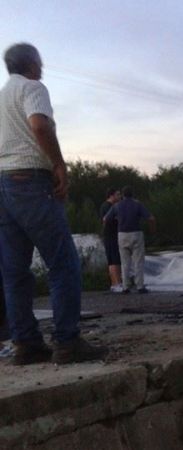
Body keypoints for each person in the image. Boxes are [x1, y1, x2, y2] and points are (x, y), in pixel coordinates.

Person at [0, 43, 108, 364]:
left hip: (2, 185)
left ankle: (26, 343)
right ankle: (67, 341)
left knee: (14, 270)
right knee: (63, 263)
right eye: (40, 63)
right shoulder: (33, 87)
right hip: (30, 181)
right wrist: (59, 163)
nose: (42, 68)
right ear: (32, 64)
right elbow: (39, 125)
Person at [103, 185, 155, 294]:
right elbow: (151, 218)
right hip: (136, 233)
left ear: (122, 195)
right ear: (132, 194)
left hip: (122, 234)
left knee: (124, 261)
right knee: (138, 261)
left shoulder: (117, 206)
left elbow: (105, 219)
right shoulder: (138, 204)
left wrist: (111, 230)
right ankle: (140, 286)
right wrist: (152, 229)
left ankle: (125, 287)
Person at [99, 187, 123, 292]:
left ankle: (114, 284)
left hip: (108, 235)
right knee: (115, 260)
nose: (119, 197)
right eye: (117, 194)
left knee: (112, 260)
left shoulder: (105, 206)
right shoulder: (108, 207)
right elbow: (108, 220)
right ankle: (117, 283)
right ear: (111, 195)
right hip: (111, 235)